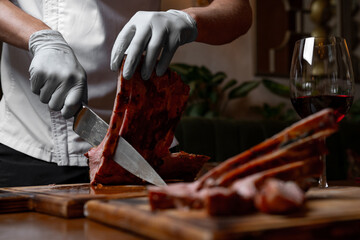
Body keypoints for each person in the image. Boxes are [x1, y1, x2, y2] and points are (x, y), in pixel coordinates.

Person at [0, 0, 252, 187]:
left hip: (147, 147)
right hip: (32, 145)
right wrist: (40, 38)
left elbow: (237, 11)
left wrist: (187, 19)